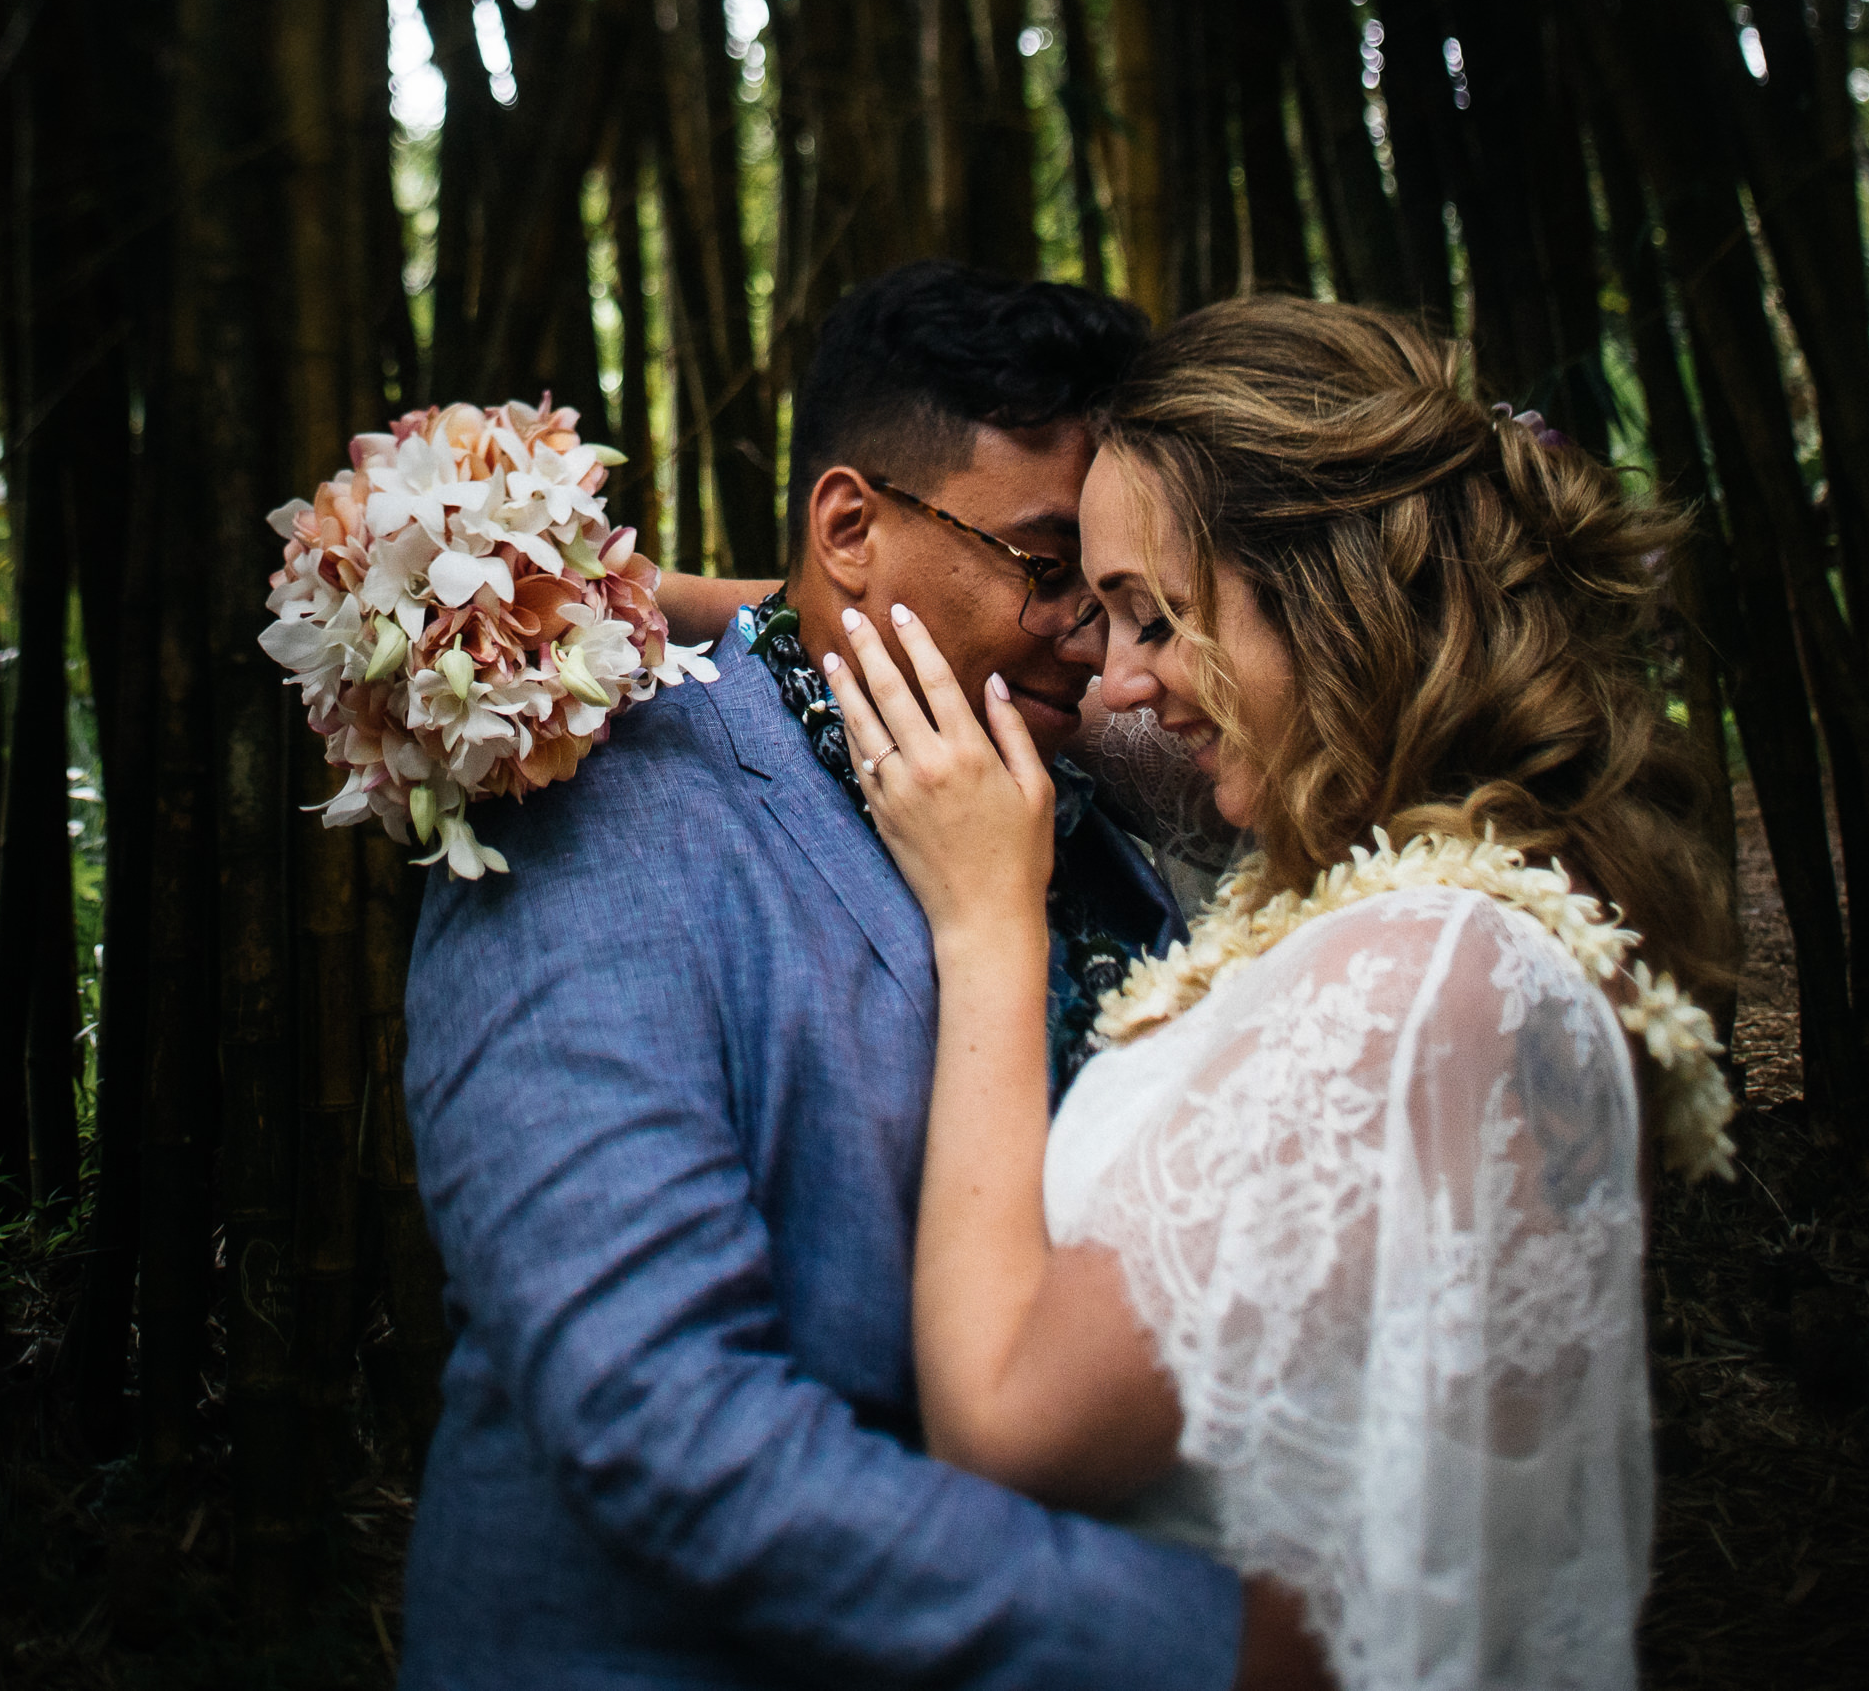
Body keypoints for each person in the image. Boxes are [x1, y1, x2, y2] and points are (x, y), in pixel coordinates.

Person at [397, 261, 1323, 1690]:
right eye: (1047, 567)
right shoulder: (604, 822)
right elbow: (660, 1417)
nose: (1095, 637)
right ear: (848, 525)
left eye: (1119, 584)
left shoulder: (1073, 768)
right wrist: (1205, 1645)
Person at [829, 296, 1735, 1691]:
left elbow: (1009, 1417)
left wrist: (987, 920)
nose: (1119, 677)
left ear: (1325, 591)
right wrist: (697, 608)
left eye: (1150, 612)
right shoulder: (1401, 903)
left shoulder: (1426, 977)